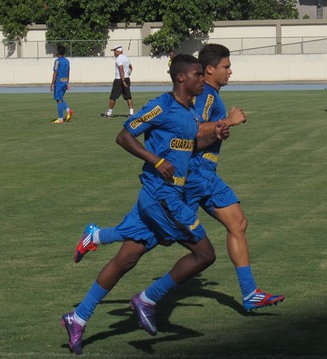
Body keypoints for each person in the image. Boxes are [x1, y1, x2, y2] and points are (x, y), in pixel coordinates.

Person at [74, 44, 285, 312]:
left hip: (207, 176)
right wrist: (227, 123)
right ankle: (101, 242)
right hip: (192, 176)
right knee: (140, 245)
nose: (230, 71)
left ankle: (249, 291)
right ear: (209, 70)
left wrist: (219, 131)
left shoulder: (207, 95)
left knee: (238, 223)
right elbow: (193, 131)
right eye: (226, 67)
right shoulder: (205, 96)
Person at [62, 54, 229, 355]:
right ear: (181, 78)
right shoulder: (161, 106)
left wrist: (215, 135)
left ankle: (78, 317)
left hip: (170, 196)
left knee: (125, 261)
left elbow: (186, 148)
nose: (202, 80)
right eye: (197, 75)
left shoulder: (189, 111)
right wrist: (155, 160)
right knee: (204, 254)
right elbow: (124, 135)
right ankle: (147, 299)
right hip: (160, 196)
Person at [101, 45, 134, 118]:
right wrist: (128, 74)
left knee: (113, 97)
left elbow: (121, 69)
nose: (114, 53)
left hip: (119, 79)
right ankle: (131, 113)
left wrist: (123, 80)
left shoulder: (118, 59)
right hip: (127, 78)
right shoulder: (126, 58)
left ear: (118, 51)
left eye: (114, 51)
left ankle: (109, 113)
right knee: (128, 96)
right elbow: (131, 67)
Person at [50, 44, 73, 123]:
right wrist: (67, 82)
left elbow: (55, 73)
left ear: (57, 52)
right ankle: (68, 110)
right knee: (60, 98)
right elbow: (68, 72)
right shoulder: (67, 61)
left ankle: (60, 119)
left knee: (58, 100)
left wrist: (52, 83)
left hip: (59, 83)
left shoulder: (57, 61)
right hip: (65, 81)